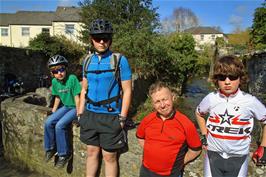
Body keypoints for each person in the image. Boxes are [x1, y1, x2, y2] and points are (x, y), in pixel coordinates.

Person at [195, 55, 266, 177]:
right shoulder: (211, 98)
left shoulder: (250, 101)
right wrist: (204, 135)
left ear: (240, 78)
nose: (227, 82)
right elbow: (198, 113)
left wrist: (263, 147)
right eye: (222, 77)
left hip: (239, 158)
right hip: (213, 155)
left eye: (232, 77)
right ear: (216, 79)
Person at [78, 19, 132, 177]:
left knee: (109, 157)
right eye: (97, 38)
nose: (102, 41)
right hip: (89, 114)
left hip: (111, 116)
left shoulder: (119, 60)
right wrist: (80, 113)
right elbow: (84, 89)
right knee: (91, 152)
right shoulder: (87, 60)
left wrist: (122, 117)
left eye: (106, 38)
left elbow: (127, 90)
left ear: (110, 39)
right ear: (91, 39)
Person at [136, 81, 202, 177]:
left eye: (165, 99)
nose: (162, 105)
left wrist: (180, 162)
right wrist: (149, 150)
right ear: (153, 104)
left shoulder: (185, 123)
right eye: (157, 102)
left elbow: (196, 149)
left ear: (173, 98)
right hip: (146, 171)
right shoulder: (148, 119)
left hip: (170, 174)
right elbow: (140, 137)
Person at [44, 55, 81, 168]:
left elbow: (77, 97)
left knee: (60, 125)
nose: (59, 73)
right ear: (52, 73)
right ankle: (50, 148)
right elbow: (58, 98)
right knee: (48, 122)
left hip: (74, 107)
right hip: (65, 106)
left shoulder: (72, 78)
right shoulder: (55, 81)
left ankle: (64, 154)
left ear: (66, 68)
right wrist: (54, 111)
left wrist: (79, 114)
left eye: (61, 69)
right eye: (55, 71)